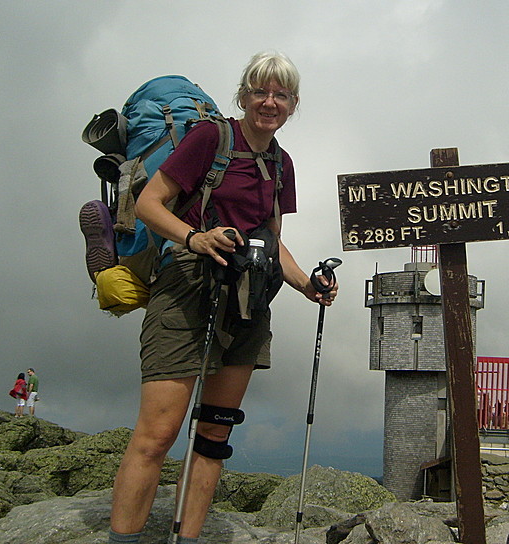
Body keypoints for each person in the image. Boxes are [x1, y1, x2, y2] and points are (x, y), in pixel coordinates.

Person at [107, 52, 337, 544]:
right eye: (260, 91)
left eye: (280, 94)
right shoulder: (210, 138)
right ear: (243, 95)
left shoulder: (281, 163)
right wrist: (195, 238)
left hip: (249, 298)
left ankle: (187, 538)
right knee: (157, 436)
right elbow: (150, 203)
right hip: (187, 287)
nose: (269, 102)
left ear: (293, 104)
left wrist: (306, 285)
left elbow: (272, 239)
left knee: (214, 434)